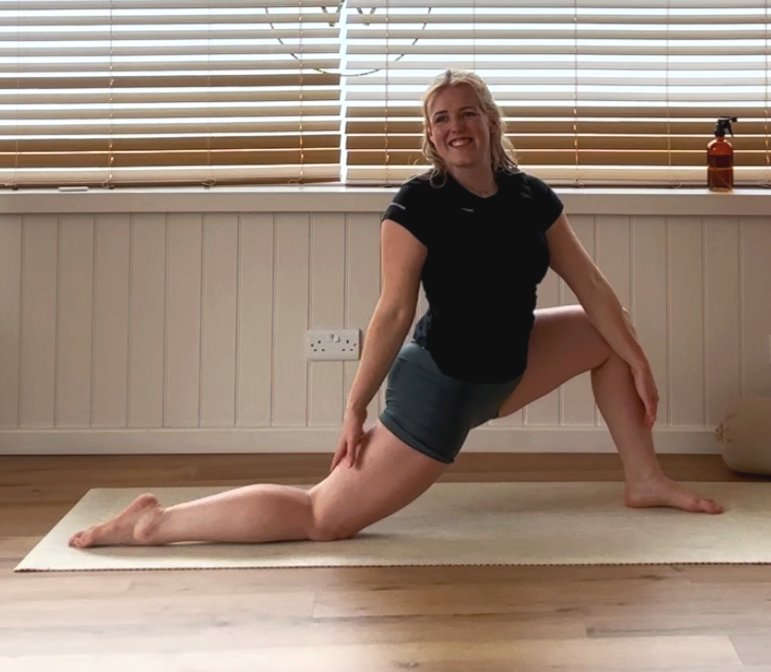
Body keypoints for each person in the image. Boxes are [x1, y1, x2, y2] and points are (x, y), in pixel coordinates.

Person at [69, 69, 721, 549]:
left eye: (468, 112)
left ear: (490, 120)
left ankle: (645, 477)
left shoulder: (531, 198)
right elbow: (391, 311)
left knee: (608, 330)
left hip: (507, 369)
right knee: (322, 516)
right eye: (441, 117)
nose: (456, 125)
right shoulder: (418, 205)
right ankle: (155, 521)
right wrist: (356, 405)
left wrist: (638, 361)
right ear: (431, 137)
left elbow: (594, 288)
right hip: (441, 386)